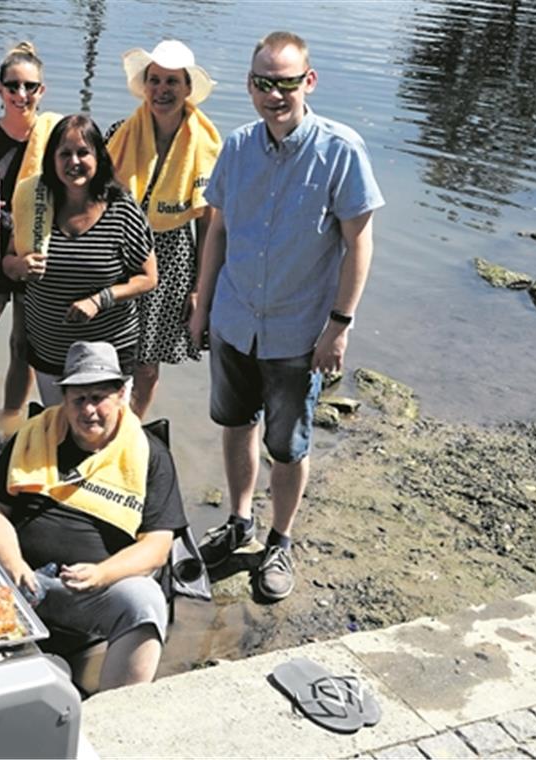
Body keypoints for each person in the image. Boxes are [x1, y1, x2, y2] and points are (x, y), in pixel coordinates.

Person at [187, 31, 382, 602]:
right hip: (233, 317)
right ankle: (240, 519)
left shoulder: (341, 150)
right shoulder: (239, 146)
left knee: (289, 445)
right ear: (250, 85)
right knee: (234, 424)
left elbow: (359, 244)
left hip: (299, 332)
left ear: (308, 82)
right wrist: (202, 303)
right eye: (264, 83)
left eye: (287, 83)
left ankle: (280, 539)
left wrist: (339, 325)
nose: (275, 95)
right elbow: (217, 230)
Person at [0, 340, 187, 691]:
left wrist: (103, 573)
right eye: (78, 399)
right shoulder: (34, 435)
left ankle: (113, 714)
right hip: (15, 579)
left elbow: (157, 546)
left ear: (121, 394)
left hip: (89, 592)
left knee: (146, 601)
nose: (88, 410)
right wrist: (13, 562)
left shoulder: (149, 453)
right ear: (64, 398)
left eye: (99, 398)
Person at [2, 115, 158, 407]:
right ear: (52, 160)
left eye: (83, 152)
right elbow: (7, 263)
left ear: (99, 156)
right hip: (50, 352)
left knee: (105, 437)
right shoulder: (36, 201)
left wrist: (100, 299)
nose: (74, 162)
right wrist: (19, 267)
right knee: (60, 434)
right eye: (65, 154)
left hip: (109, 353)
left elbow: (148, 278)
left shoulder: (121, 208)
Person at [107, 40, 220, 419]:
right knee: (106, 352)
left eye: (172, 82)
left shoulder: (205, 145)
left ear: (187, 89)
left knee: (147, 359)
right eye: (154, 80)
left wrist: (200, 289)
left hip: (172, 256)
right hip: (119, 251)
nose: (162, 90)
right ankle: (99, 427)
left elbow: (209, 222)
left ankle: (133, 430)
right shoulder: (119, 134)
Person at [0, 41, 61, 418]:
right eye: (12, 86)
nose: (21, 95)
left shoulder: (56, 139)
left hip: (33, 256)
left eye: (30, 87)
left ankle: (9, 423)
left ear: (43, 90)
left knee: (23, 346)